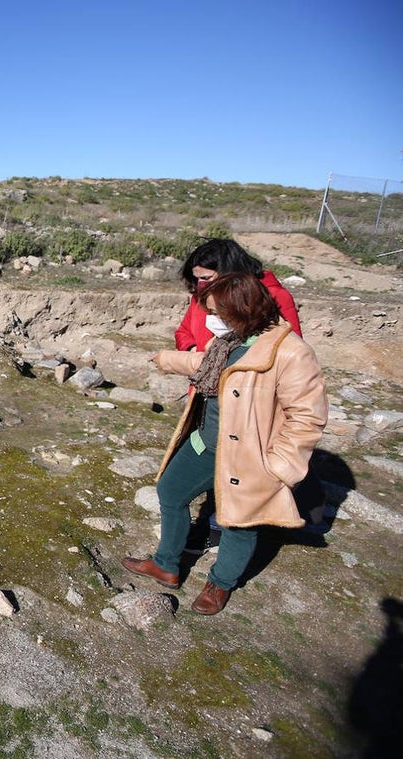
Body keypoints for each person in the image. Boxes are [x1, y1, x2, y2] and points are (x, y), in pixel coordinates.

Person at [122, 272, 327, 615]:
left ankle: (221, 583)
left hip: (249, 455)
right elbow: (210, 365)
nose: (212, 320)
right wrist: (167, 359)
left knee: (238, 521)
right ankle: (166, 564)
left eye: (218, 313)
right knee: (170, 491)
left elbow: (307, 418)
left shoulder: (291, 353)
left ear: (243, 310)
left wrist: (279, 466)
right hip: (206, 442)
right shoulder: (231, 340)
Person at [173, 238, 304, 555]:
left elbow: (291, 350)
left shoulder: (273, 296)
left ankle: (222, 532)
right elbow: (184, 331)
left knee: (237, 469)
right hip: (206, 398)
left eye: (207, 278)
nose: (201, 285)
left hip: (249, 405)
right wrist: (196, 352)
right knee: (210, 460)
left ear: (230, 272)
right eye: (197, 279)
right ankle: (211, 523)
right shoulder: (202, 296)